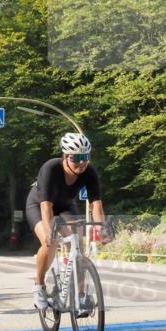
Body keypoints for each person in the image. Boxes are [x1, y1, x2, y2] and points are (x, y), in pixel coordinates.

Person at [26, 132, 107, 310]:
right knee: (50, 242)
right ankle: (39, 285)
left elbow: (96, 204)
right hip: (39, 205)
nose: (82, 162)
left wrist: (101, 228)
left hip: (65, 205)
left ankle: (81, 296)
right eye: (76, 158)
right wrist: (49, 232)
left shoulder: (90, 172)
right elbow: (46, 206)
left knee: (78, 245)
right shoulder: (51, 168)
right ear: (65, 157)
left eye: (85, 157)